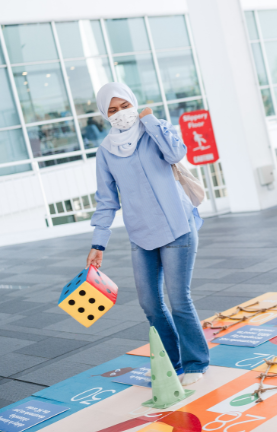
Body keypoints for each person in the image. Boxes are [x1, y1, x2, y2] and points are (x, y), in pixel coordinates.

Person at [86, 82, 209, 385]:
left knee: (179, 300)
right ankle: (172, 364)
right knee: (150, 304)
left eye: (125, 106)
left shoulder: (155, 130)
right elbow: (106, 201)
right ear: (105, 114)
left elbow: (176, 153)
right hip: (141, 235)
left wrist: (151, 121)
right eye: (112, 110)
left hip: (176, 226)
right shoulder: (106, 152)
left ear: (133, 103)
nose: (120, 113)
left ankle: (196, 363)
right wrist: (98, 243)